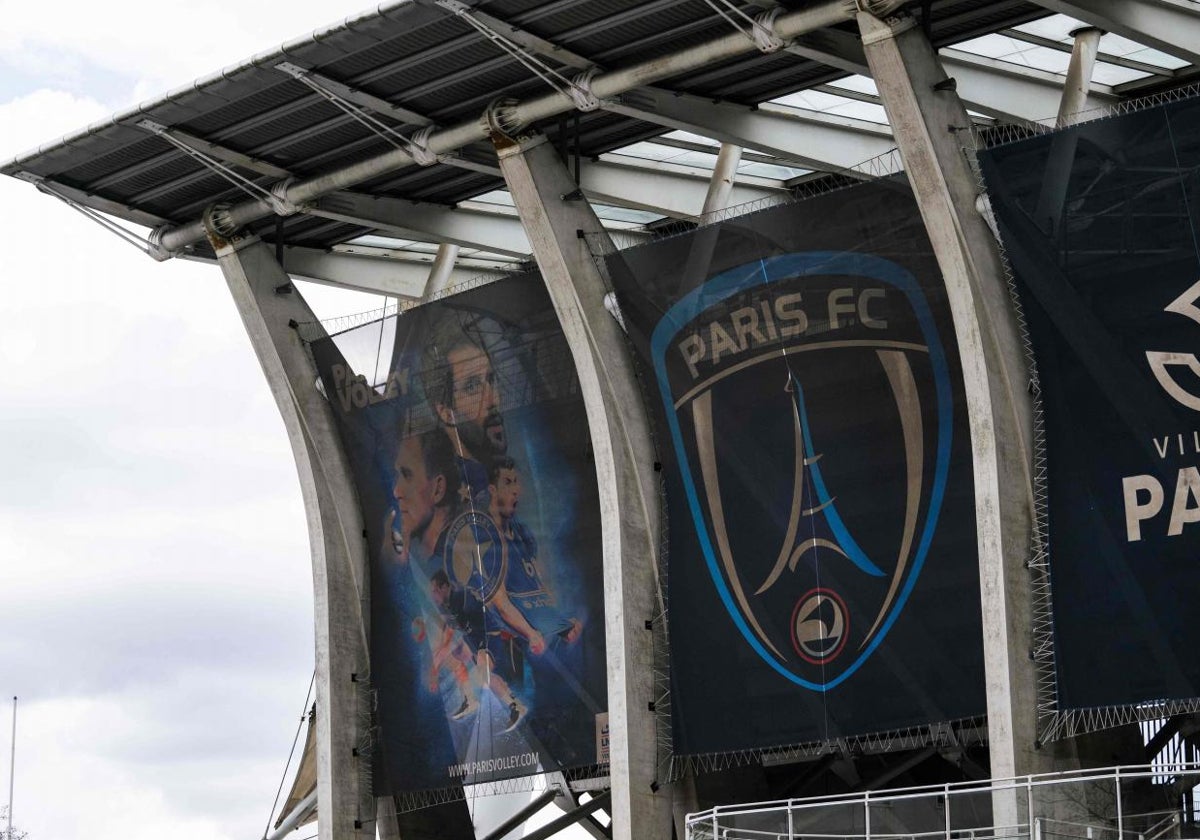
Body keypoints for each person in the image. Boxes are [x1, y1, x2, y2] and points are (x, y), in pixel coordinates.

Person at [487, 456, 583, 650]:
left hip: (530, 640)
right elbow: (500, 603)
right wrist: (530, 633)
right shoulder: (483, 539)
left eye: (516, 482)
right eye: (507, 483)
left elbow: (539, 587)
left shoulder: (522, 532)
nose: (515, 490)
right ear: (492, 490)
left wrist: (561, 624)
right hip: (502, 642)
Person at [419, 316, 508, 507]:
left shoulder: (502, 475)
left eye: (491, 380)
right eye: (473, 386)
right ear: (445, 412)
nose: (493, 400)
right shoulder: (451, 496)